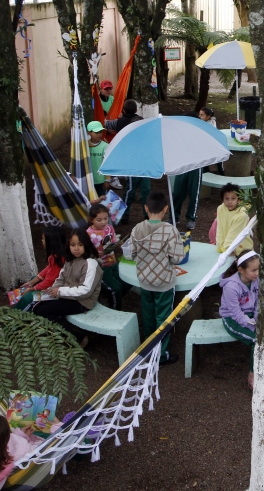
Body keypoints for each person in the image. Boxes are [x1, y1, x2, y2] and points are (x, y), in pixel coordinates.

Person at [130, 191, 184, 365]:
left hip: (145, 281)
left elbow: (131, 254)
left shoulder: (137, 229)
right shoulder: (170, 230)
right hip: (164, 283)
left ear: (146, 208)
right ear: (166, 209)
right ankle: (160, 355)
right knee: (163, 317)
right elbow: (177, 258)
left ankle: (148, 348)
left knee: (147, 315)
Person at [31, 228, 103, 347]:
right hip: (67, 295)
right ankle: (60, 335)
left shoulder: (90, 263)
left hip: (82, 301)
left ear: (86, 244)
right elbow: (61, 278)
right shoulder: (70, 260)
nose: (76, 248)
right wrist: (52, 290)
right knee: (37, 304)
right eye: (73, 245)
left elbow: (86, 290)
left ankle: (78, 339)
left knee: (43, 310)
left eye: (80, 245)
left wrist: (59, 291)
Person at [220, 250, 260, 389]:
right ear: (241, 270)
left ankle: (263, 367)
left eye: (258, 269)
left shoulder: (255, 281)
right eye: (253, 270)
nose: (257, 273)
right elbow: (235, 313)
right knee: (257, 340)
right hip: (231, 319)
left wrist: (256, 318)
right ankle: (252, 374)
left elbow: (257, 303)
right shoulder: (231, 286)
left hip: (248, 317)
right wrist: (251, 325)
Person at [105, 100, 147, 222]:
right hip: (143, 160)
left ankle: (125, 214)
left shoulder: (119, 122)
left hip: (129, 159)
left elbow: (106, 123)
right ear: (136, 110)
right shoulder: (142, 121)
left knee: (130, 189)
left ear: (123, 110)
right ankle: (147, 214)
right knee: (145, 190)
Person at [12, 226, 67, 310]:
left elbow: (49, 282)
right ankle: (17, 304)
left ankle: (18, 314)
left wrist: (32, 289)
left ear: (51, 242)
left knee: (28, 297)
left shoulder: (57, 258)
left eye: (43, 239)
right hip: (55, 286)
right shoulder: (57, 255)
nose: (42, 241)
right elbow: (48, 269)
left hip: (55, 292)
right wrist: (31, 282)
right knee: (34, 278)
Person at [87, 203, 127, 308]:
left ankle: (110, 297)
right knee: (116, 288)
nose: (104, 222)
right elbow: (85, 253)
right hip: (100, 268)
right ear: (92, 220)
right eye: (99, 220)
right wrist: (94, 254)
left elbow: (113, 241)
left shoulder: (109, 228)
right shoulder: (88, 234)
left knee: (126, 282)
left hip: (112, 262)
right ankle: (115, 309)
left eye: (105, 218)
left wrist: (118, 245)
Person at [216, 183, 254, 255]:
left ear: (239, 200)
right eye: (227, 198)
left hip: (242, 249)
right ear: (223, 200)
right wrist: (219, 245)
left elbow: (233, 233)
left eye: (233, 198)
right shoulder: (220, 209)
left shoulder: (242, 215)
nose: (230, 202)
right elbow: (220, 228)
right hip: (227, 249)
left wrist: (227, 248)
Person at [87, 121, 108, 197]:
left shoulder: (105, 146)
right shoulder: (84, 146)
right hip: (88, 180)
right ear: (89, 133)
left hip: (101, 181)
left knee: (101, 200)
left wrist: (107, 180)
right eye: (96, 133)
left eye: (100, 132)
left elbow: (107, 163)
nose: (99, 135)